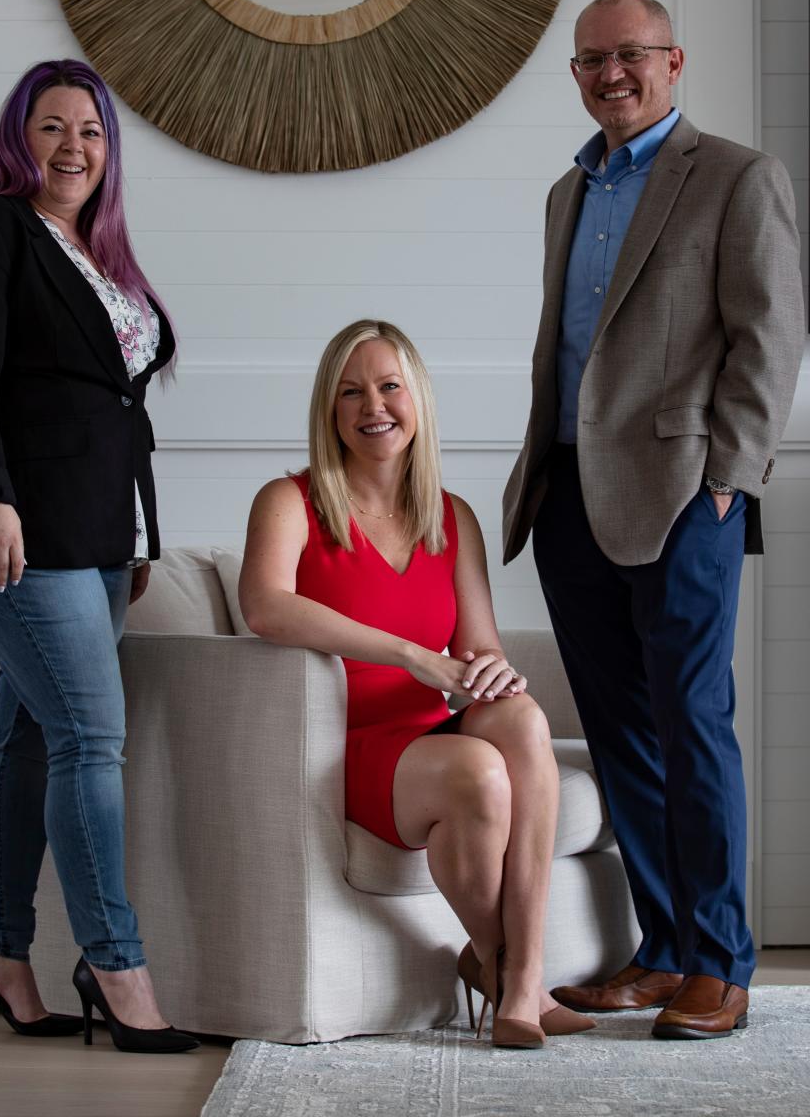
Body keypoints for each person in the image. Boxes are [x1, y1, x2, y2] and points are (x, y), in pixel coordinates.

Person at [502, 0, 805, 1040]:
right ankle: (666, 950)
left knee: (693, 721)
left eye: (631, 55)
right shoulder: (567, 190)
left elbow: (768, 333)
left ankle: (722, 961)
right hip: (569, 492)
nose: (610, 74)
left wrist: (731, 475)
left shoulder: (734, 176)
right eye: (591, 61)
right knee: (623, 727)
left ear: (675, 62)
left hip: (684, 496)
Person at [0, 59, 197, 1054]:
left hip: (94, 536)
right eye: (51, 126)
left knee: (30, 737)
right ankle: (116, 967)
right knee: (89, 736)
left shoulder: (96, 252)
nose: (72, 147)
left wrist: (136, 537)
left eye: (90, 131)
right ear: (17, 136)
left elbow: (110, 408)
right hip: (17, 528)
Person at [239, 318, 592, 1048]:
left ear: (417, 399)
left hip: (427, 732)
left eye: (390, 386)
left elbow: (478, 646)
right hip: (347, 744)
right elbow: (265, 607)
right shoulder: (290, 502)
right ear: (330, 412)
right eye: (351, 392)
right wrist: (410, 654)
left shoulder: (452, 516)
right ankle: (501, 969)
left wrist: (493, 667)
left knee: (522, 718)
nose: (374, 405)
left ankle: (520, 977)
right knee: (478, 774)